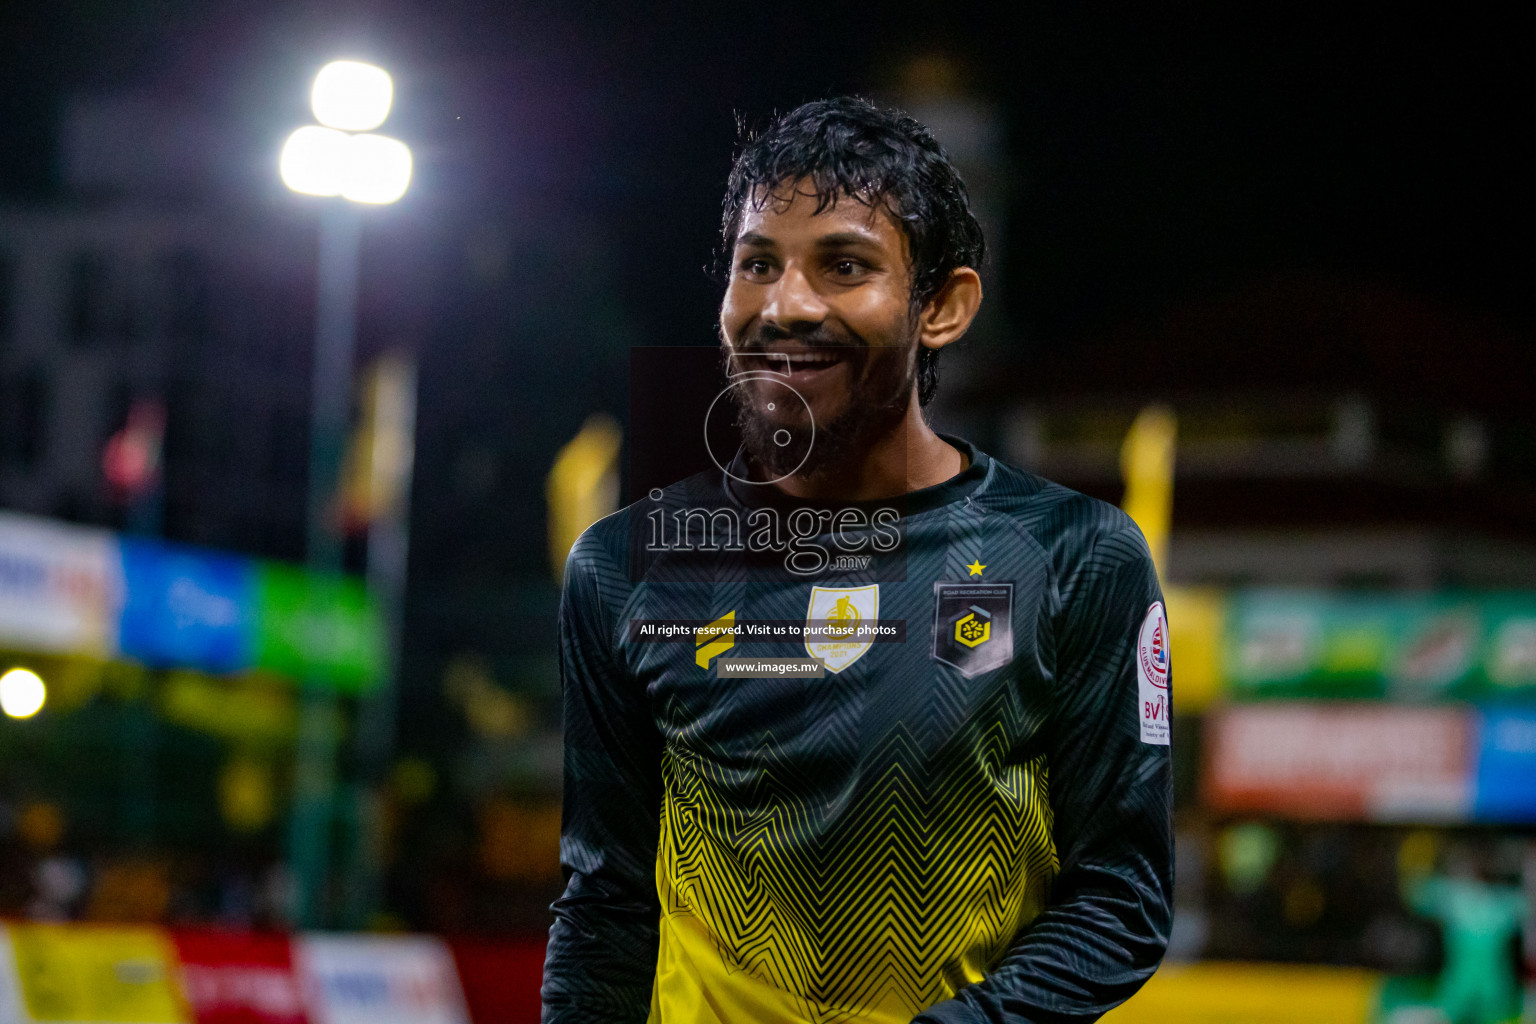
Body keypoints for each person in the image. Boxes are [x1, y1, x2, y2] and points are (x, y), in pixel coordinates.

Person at [542, 96, 1173, 1024]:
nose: (785, 306)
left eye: (845, 266)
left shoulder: (1077, 558)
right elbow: (605, 904)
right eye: (758, 264)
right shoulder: (623, 568)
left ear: (944, 308)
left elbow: (1123, 898)